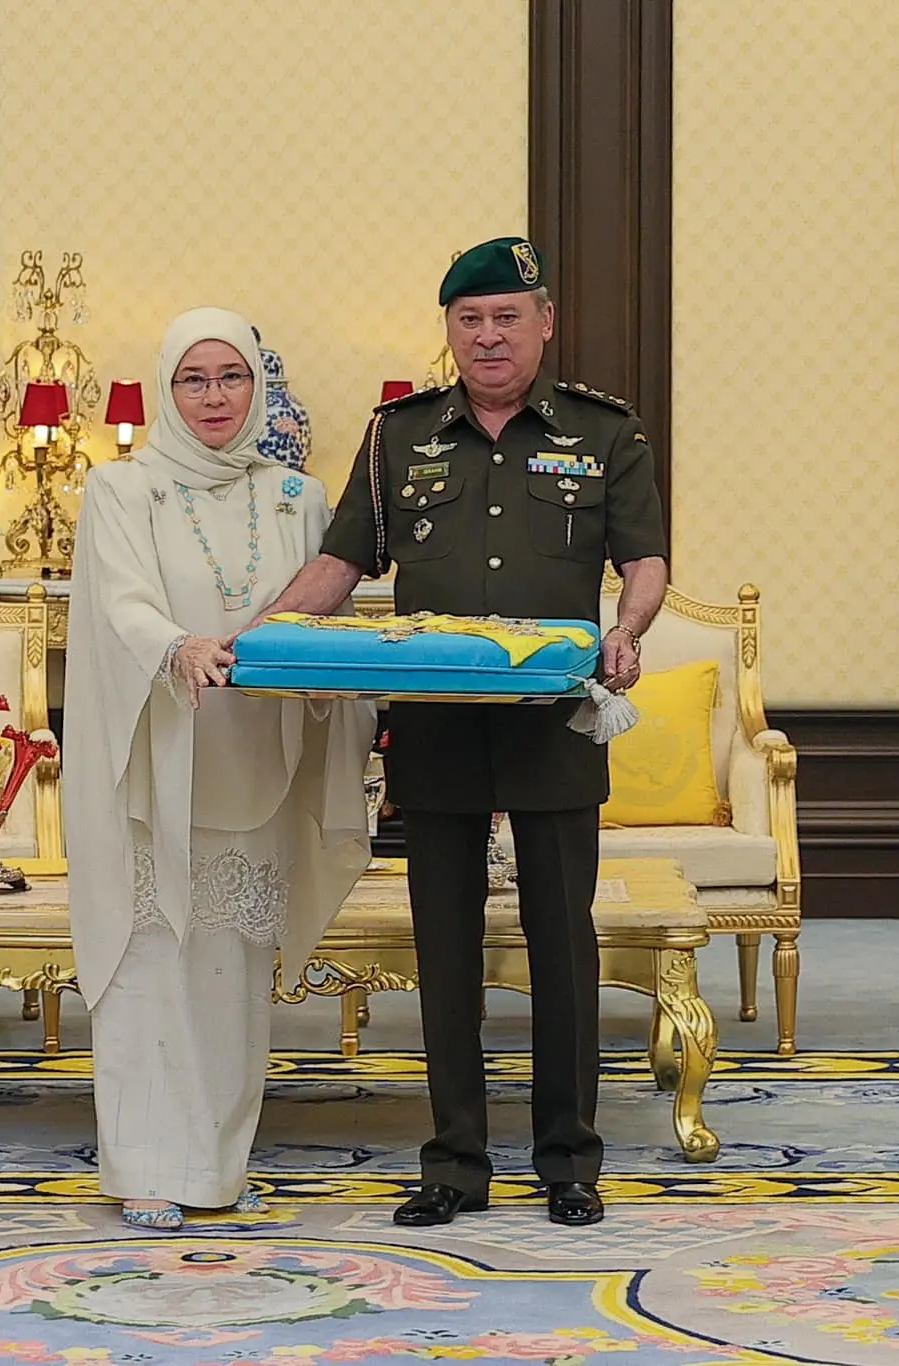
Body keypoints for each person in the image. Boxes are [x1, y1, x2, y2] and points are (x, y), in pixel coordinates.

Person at [249, 238, 669, 1228]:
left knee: (562, 944)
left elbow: (644, 558)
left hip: (552, 723)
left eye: (505, 317)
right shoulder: (398, 435)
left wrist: (627, 629)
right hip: (434, 729)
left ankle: (568, 1160)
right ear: (447, 331)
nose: (487, 336)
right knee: (441, 950)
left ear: (544, 320)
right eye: (468, 319)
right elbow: (340, 564)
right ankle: (453, 1162)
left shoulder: (604, 432)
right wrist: (253, 640)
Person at [67, 307, 377, 1231]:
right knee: (148, 964)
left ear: (259, 389)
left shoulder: (297, 497)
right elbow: (120, 605)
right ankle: (142, 1168)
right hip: (156, 761)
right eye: (193, 379)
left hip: (256, 761)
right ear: (167, 390)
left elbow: (321, 622)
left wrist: (324, 685)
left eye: (231, 377)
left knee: (231, 977)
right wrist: (177, 649)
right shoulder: (121, 491)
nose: (213, 397)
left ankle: (213, 1166)